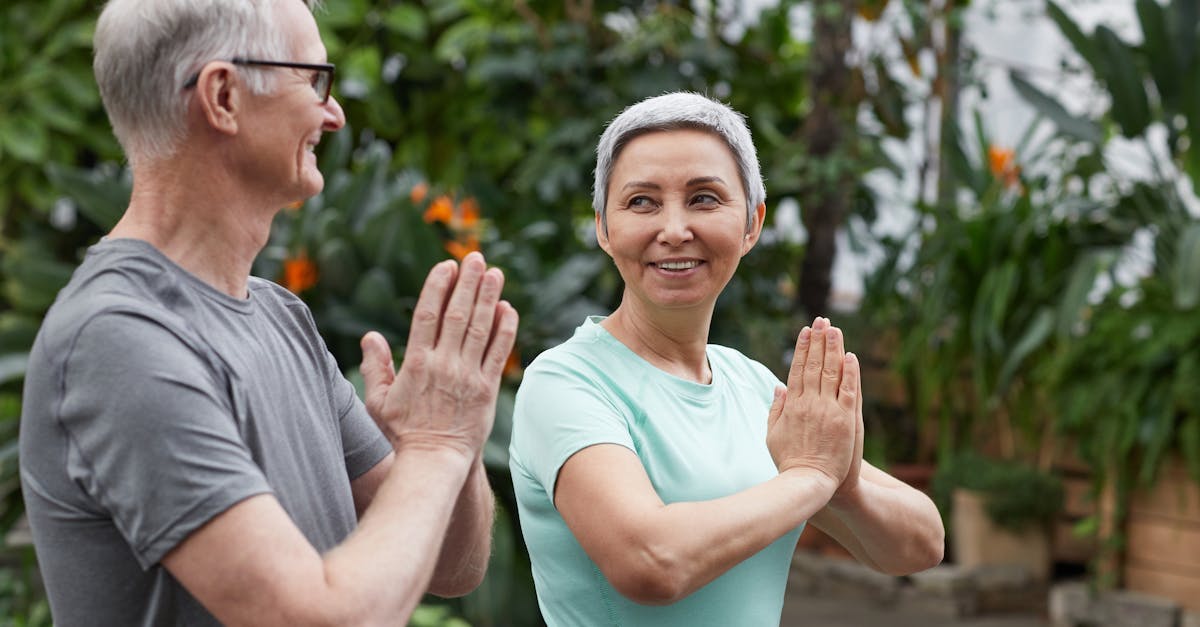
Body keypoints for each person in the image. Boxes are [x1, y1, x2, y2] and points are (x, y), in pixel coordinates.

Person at [18, 1, 519, 625]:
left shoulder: (282, 316)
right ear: (223, 96)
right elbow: (316, 618)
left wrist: (451, 441)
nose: (332, 113)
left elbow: (451, 564)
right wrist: (439, 445)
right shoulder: (116, 340)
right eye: (313, 80)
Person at [508, 92, 944, 626]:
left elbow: (921, 543)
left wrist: (843, 483)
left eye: (704, 198)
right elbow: (651, 561)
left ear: (751, 224)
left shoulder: (752, 386)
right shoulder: (566, 384)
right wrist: (808, 478)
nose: (673, 230)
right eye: (641, 202)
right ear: (603, 227)